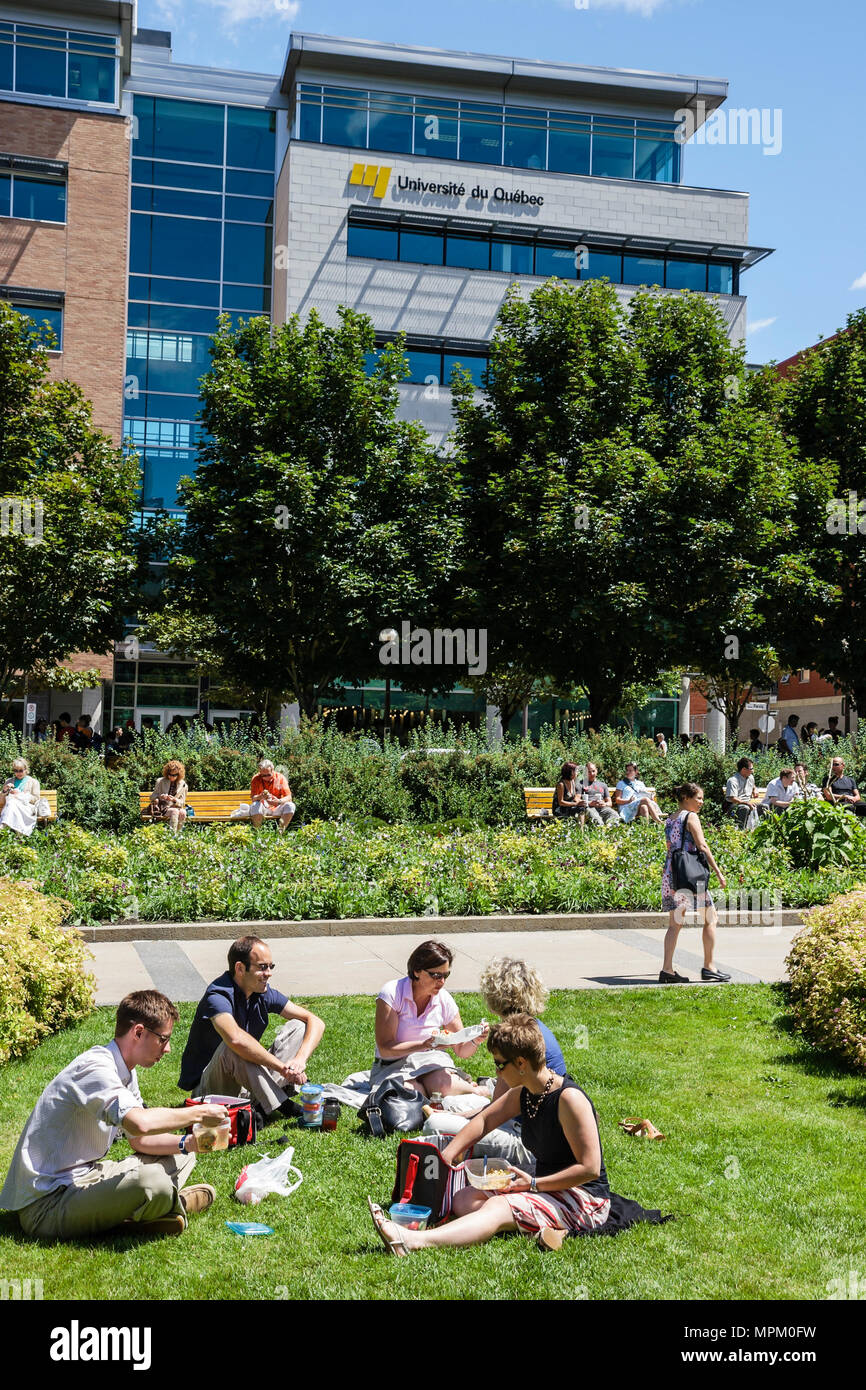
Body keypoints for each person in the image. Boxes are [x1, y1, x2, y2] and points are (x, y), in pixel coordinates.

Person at [368, 1015, 668, 1256]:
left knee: (497, 1206)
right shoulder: (524, 1093)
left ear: (521, 1063)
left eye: (500, 1064)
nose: (497, 1073)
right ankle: (524, 1220)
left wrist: (533, 1184)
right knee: (464, 1199)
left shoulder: (569, 1099)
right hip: (545, 1187)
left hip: (585, 1199)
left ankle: (412, 1241)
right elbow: (484, 1120)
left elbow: (589, 1169)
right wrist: (446, 1155)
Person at [0, 990, 225, 1239]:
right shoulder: (95, 1069)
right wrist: (198, 1113)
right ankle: (169, 1204)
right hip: (47, 1203)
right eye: (163, 1039)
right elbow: (139, 1123)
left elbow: (138, 1140)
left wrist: (189, 1143)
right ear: (138, 1032)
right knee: (149, 1180)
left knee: (183, 1156)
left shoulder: (125, 1070)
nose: (168, 1049)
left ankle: (152, 1208)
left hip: (88, 1177)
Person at [422, 957, 567, 1170]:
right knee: (449, 1103)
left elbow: (495, 1112)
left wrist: (452, 1118)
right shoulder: (529, 1027)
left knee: (435, 1124)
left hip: (526, 1141)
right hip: (520, 1120)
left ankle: (461, 1148)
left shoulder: (516, 1039)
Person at [179, 935, 324, 1122]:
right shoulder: (218, 996)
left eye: (271, 966)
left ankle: (262, 1104)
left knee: (298, 1026)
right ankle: (279, 1104)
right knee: (233, 1047)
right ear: (240, 968)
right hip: (212, 1092)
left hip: (248, 1082)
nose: (269, 973)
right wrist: (281, 1068)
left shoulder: (262, 992)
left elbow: (315, 1021)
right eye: (262, 967)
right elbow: (236, 1039)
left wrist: (299, 1061)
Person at [373, 940, 490, 1100]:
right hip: (394, 1065)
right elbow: (385, 1047)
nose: (441, 982)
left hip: (431, 1062)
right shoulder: (392, 993)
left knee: (442, 1086)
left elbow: (461, 1050)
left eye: (445, 975)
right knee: (410, 1093)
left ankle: (479, 1090)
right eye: (436, 975)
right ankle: (458, 1088)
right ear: (417, 971)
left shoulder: (444, 999)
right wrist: (424, 1044)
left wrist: (475, 1040)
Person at [660, 781, 729, 984]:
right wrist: (718, 872)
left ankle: (667, 970)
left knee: (675, 925)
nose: (701, 802)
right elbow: (703, 846)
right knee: (711, 918)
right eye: (698, 798)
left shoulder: (671, 819)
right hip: (691, 876)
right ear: (686, 798)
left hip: (673, 874)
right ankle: (709, 967)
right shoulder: (691, 817)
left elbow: (669, 847)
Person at [250, 758, 296, 832]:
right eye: (263, 775)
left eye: (268, 775)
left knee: (291, 806)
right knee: (255, 804)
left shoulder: (280, 778)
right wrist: (260, 796)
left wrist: (279, 801)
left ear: (272, 770)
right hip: (262, 808)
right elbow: (253, 798)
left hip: (277, 807)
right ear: (260, 772)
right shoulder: (256, 778)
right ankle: (257, 833)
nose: (266, 778)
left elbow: (288, 797)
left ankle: (280, 833)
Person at [0, 757, 40, 837]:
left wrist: (21, 795)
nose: (18, 773)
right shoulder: (9, 781)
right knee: (11, 803)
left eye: (21, 770)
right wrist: (4, 791)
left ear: (26, 770)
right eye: (16, 770)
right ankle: (19, 836)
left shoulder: (33, 782)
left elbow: (36, 798)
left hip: (26, 809)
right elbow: (2, 802)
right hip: (10, 808)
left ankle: (3, 828)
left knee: (12, 803)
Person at [149, 759, 188, 834]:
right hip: (163, 807)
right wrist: (161, 796)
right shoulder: (160, 781)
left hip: (175, 806)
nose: (171, 777)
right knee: (175, 811)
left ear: (179, 774)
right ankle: (171, 835)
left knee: (183, 812)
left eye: (174, 775)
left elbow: (182, 802)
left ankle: (179, 835)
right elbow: (152, 797)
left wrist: (174, 800)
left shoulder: (183, 785)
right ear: (167, 773)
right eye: (170, 774)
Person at [578, 762, 620, 827]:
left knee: (615, 815)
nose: (591, 774)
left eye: (593, 771)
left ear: (596, 771)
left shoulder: (603, 785)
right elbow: (577, 800)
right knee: (597, 820)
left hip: (602, 808)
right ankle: (600, 831)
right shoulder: (581, 784)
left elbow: (610, 803)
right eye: (589, 772)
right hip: (589, 808)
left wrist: (605, 804)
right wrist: (590, 803)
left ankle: (608, 831)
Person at [724, 757, 758, 830]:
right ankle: (741, 831)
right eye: (751, 769)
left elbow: (753, 785)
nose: (753, 771)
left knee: (764, 807)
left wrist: (755, 789)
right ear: (744, 769)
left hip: (747, 803)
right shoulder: (733, 781)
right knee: (745, 808)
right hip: (735, 805)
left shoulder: (750, 777)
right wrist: (747, 803)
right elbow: (732, 798)